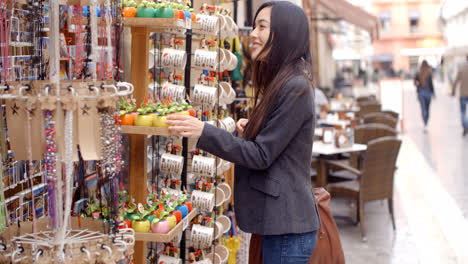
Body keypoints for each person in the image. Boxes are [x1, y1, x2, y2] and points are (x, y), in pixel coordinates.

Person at [166, 2, 320, 263]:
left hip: (286, 227)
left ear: (285, 32)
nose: (253, 34)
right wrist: (253, 128)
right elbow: (279, 144)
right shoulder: (283, 81)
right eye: (254, 26)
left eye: (262, 26)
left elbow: (261, 155)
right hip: (278, 224)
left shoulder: (296, 86)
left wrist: (204, 131)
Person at [414, 60, 435, 132]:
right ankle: (426, 123)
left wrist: (417, 87)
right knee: (427, 108)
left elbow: (414, 81)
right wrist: (433, 93)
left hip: (421, 92)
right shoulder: (429, 73)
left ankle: (425, 124)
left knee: (423, 109)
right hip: (428, 93)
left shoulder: (418, 72)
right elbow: (431, 84)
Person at [451, 55, 468, 136]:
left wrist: (453, 91)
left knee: (463, 112)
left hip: (463, 94)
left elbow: (456, 81)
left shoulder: (462, 68)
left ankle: (465, 126)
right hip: (463, 94)